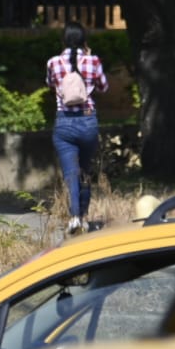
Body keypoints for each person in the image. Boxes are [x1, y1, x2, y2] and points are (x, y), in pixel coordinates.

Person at [46, 22, 109, 236]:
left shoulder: (53, 62)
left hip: (64, 122)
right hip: (88, 122)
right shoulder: (93, 61)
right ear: (84, 41)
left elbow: (50, 84)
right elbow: (104, 87)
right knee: (85, 171)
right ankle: (83, 216)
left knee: (70, 173)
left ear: (63, 40)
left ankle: (74, 218)